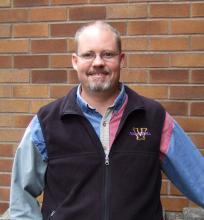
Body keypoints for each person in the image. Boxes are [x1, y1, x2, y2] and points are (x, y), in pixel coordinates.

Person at [9, 20, 204, 220]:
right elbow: (21, 200)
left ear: (121, 59)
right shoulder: (46, 122)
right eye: (88, 54)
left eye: (107, 54)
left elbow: (199, 179)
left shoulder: (154, 118)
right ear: (75, 61)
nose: (98, 62)